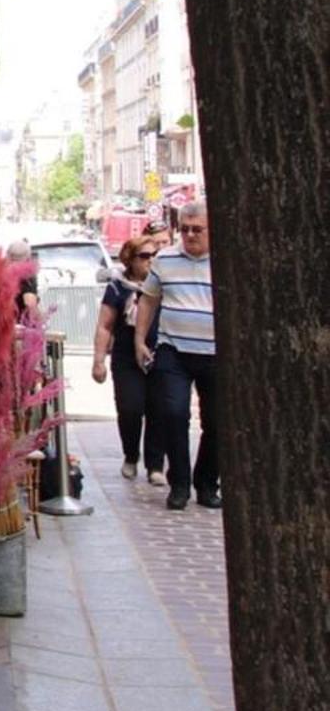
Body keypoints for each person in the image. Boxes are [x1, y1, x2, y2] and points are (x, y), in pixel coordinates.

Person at [135, 199, 218, 510]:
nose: (191, 235)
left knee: (217, 422)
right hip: (174, 352)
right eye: (185, 229)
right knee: (173, 414)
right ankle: (179, 483)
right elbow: (148, 301)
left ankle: (207, 483)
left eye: (197, 229)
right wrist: (140, 340)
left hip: (214, 353)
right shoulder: (165, 260)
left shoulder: (223, 260)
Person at [92, 238, 165, 484]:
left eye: (155, 254)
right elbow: (105, 325)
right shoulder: (118, 287)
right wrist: (99, 360)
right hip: (125, 356)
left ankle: (155, 465)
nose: (150, 260)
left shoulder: (164, 285)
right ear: (130, 260)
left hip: (160, 353)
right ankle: (131, 455)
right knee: (130, 407)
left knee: (159, 409)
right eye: (144, 256)